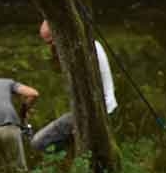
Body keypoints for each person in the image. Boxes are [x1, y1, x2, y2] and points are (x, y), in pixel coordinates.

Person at [30, 20, 118, 152]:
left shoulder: (79, 52)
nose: (51, 46)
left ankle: (69, 158)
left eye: (51, 41)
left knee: (38, 142)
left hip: (97, 111)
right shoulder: (89, 43)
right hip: (106, 107)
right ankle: (72, 156)